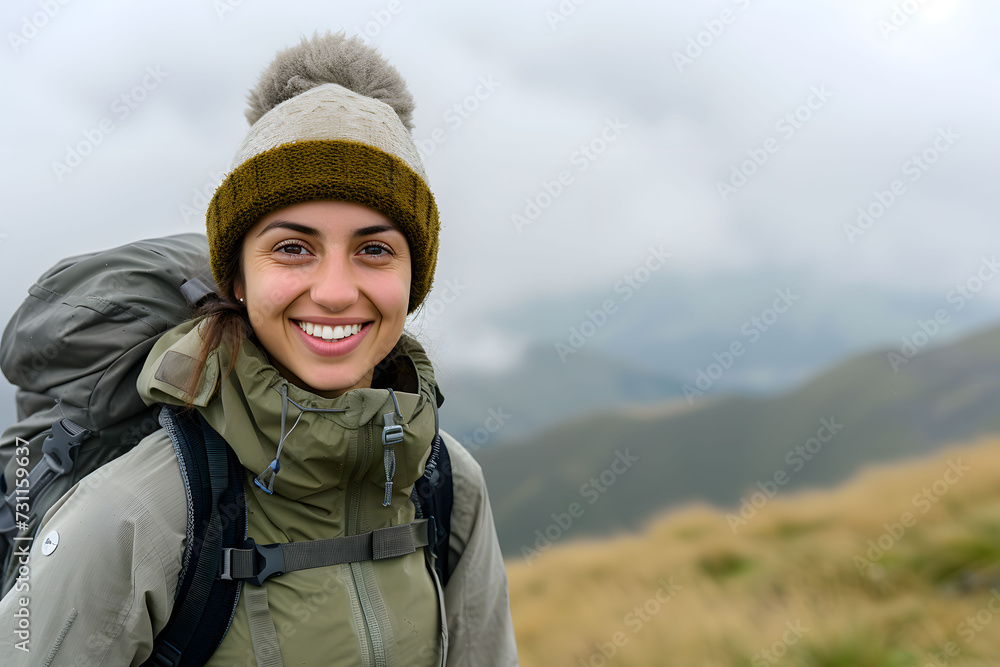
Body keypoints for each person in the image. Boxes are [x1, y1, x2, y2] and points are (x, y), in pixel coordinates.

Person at [0, 30, 518, 666]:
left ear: (415, 279)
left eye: (375, 249)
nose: (334, 291)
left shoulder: (448, 485)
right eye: (293, 247)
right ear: (237, 279)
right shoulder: (143, 512)